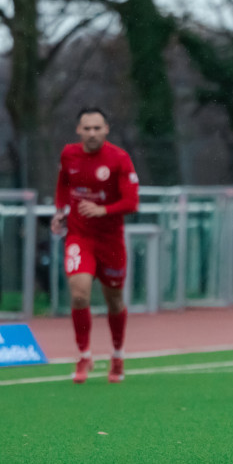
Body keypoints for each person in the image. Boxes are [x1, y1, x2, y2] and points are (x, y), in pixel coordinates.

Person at [51, 107, 140, 384]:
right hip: (79, 236)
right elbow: (63, 186)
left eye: (97, 128)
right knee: (79, 294)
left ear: (106, 129)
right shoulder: (69, 154)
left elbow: (132, 202)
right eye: (87, 128)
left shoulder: (119, 158)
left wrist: (103, 210)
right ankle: (84, 355)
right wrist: (60, 211)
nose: (92, 133)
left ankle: (117, 354)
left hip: (111, 240)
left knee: (114, 299)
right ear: (78, 130)